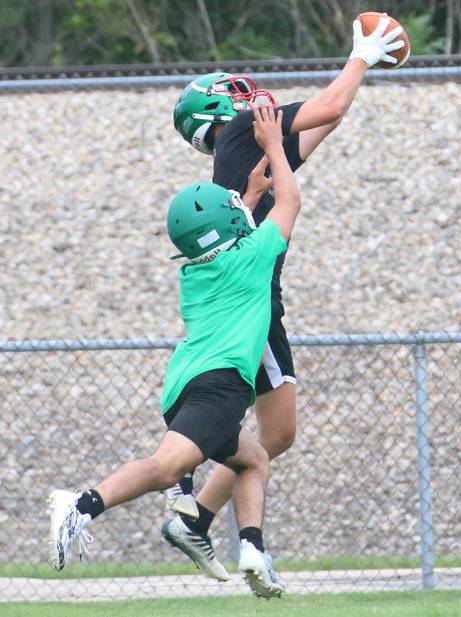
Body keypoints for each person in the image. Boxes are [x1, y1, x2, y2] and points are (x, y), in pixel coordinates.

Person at [161, 15, 405, 581]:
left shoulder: (244, 147)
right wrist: (363, 54)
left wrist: (349, 86)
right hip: (256, 302)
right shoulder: (244, 128)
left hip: (254, 297)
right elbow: (326, 109)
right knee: (259, 428)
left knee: (276, 432)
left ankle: (193, 514)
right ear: (219, 107)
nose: (246, 92)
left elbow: (320, 128)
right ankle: (191, 503)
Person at [49, 104, 300, 599]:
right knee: (165, 468)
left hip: (182, 385)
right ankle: (81, 503)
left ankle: (252, 549)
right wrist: (274, 144)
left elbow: (230, 235)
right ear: (231, 227)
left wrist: (247, 197)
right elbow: (290, 200)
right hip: (221, 386)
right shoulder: (252, 258)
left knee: (252, 460)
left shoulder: (195, 270)